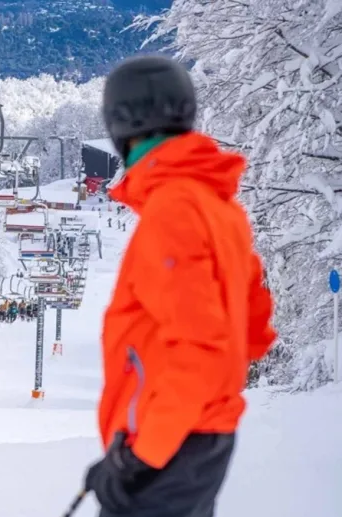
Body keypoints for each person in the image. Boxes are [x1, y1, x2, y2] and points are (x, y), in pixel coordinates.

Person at [84, 54, 276, 517]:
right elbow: (250, 328)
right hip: (197, 434)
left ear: (120, 124)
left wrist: (142, 453)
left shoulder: (174, 210)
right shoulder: (219, 208)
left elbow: (201, 345)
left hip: (172, 439)